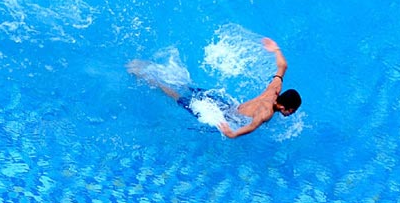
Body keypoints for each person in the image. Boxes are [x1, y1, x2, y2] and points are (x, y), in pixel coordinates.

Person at [127, 37, 301, 138]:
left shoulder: (274, 89)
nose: (290, 114)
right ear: (283, 106)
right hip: (222, 114)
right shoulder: (266, 112)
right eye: (290, 111)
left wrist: (276, 49)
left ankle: (148, 66)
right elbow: (251, 127)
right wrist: (231, 134)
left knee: (188, 88)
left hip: (227, 105)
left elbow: (282, 67)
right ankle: (147, 77)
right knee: (177, 98)